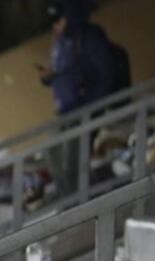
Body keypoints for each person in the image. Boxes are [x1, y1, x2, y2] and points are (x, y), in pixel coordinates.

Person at [38, 0, 118, 199]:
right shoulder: (59, 42)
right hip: (63, 112)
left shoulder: (89, 36)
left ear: (70, 17)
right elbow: (62, 72)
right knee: (54, 154)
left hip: (83, 111)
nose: (55, 26)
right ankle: (70, 203)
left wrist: (89, 102)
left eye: (59, 20)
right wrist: (49, 77)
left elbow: (106, 73)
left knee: (73, 163)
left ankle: (80, 206)